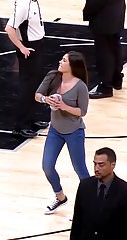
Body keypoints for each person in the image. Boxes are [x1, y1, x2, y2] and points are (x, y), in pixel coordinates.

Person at [35, 51, 90, 214]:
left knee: (80, 168)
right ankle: (60, 197)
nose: (60, 61)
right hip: (55, 130)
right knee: (47, 167)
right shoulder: (53, 76)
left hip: (74, 131)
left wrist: (65, 107)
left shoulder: (81, 86)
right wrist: (46, 99)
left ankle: (88, 205)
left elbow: (83, 111)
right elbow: (37, 95)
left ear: (72, 66)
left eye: (64, 60)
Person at [70, 147, 127, 240]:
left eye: (101, 165)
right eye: (95, 164)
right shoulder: (84, 186)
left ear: (113, 165)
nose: (96, 168)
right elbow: (77, 222)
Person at [5, 0, 48, 138]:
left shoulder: (33, 2)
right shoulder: (23, 5)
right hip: (29, 48)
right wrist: (21, 47)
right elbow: (9, 28)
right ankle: (20, 126)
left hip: (38, 45)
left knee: (35, 86)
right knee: (27, 87)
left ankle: (31, 119)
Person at [83, 0, 126, 99]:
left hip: (103, 15)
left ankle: (105, 87)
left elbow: (95, 2)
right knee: (114, 45)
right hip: (117, 11)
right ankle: (117, 79)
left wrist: (87, 12)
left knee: (104, 52)